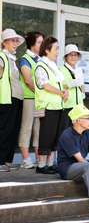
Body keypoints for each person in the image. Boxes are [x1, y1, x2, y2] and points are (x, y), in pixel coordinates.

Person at [34, 36, 69, 174]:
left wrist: (64, 92)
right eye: (56, 49)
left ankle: (50, 163)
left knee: (56, 135)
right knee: (46, 135)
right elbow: (46, 86)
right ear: (47, 50)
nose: (58, 51)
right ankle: (41, 165)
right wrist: (61, 93)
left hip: (58, 105)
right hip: (48, 106)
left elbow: (58, 84)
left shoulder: (53, 66)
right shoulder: (41, 66)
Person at [0, 29, 25, 172]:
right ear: (4, 42)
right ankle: (0, 160)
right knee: (4, 130)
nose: (15, 43)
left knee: (13, 131)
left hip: (16, 98)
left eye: (16, 41)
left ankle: (7, 160)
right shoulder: (1, 57)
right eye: (12, 40)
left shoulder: (12, 58)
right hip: (6, 99)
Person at [19, 32, 44, 169]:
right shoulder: (25, 59)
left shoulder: (39, 59)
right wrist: (41, 92)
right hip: (29, 98)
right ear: (31, 43)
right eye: (39, 42)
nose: (41, 45)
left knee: (38, 130)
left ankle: (37, 158)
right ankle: (25, 159)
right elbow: (28, 81)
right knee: (27, 128)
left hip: (39, 99)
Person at [59, 44, 85, 124]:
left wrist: (83, 92)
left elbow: (82, 84)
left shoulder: (78, 70)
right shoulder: (60, 70)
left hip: (79, 106)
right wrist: (68, 85)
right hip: (67, 106)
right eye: (70, 55)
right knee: (66, 131)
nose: (73, 57)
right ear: (66, 57)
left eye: (75, 55)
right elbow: (56, 87)